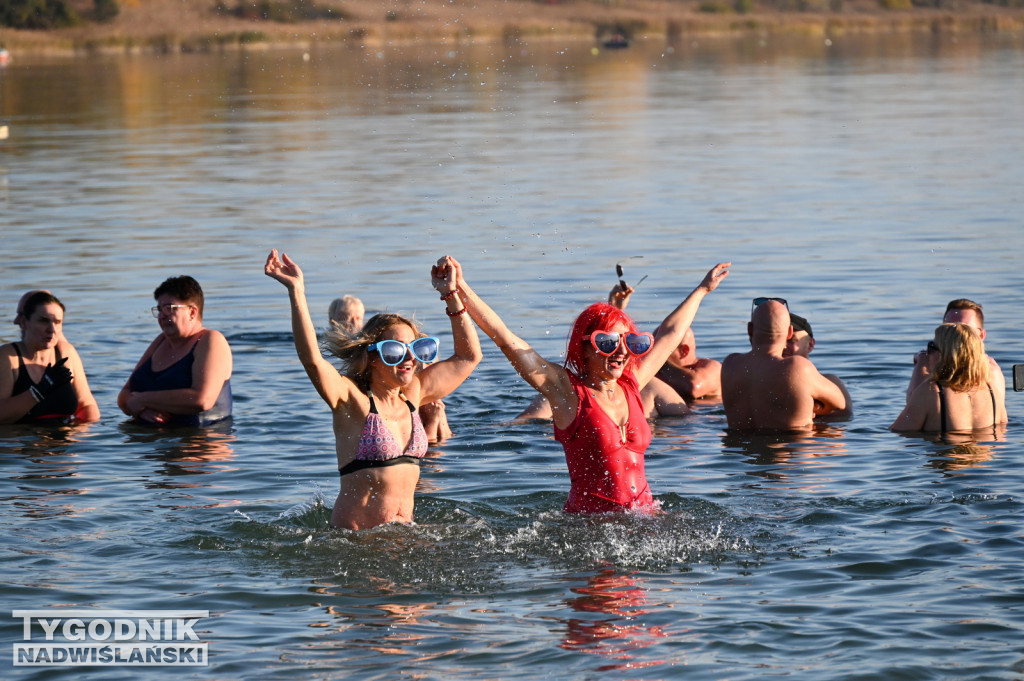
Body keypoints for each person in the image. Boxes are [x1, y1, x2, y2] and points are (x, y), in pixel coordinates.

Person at [451, 256, 730, 514]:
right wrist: (459, 289)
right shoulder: (568, 393)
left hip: (645, 516)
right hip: (590, 526)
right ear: (583, 349)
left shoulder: (632, 384)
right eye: (607, 343)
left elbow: (670, 332)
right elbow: (505, 338)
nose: (621, 352)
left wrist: (703, 289)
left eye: (629, 343)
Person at [263, 250, 482, 530]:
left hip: (403, 538)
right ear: (372, 357)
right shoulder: (351, 400)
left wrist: (451, 295)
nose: (409, 359)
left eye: (415, 348)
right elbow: (313, 360)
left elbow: (468, 357)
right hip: (354, 545)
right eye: (394, 351)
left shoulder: (413, 393)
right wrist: (297, 291)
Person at [329, 294, 454, 443]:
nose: (429, 369)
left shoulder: (433, 401)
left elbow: (446, 436)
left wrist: (439, 416)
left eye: (430, 364)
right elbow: (416, 444)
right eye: (348, 317)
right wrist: (433, 422)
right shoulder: (407, 395)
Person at [118, 276, 233, 427]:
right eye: (159, 309)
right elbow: (124, 395)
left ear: (192, 312)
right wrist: (140, 409)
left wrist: (142, 400)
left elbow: (202, 400)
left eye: (169, 308)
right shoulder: (160, 341)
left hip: (200, 443)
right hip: (151, 444)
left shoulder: (211, 341)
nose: (162, 315)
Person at [721, 298, 846, 432]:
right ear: (789, 332)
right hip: (792, 448)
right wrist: (812, 407)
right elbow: (840, 404)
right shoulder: (798, 367)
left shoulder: (730, 364)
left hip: (739, 451)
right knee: (837, 439)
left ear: (750, 329)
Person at [0, 290, 100, 424]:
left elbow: (87, 405)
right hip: (22, 440)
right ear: (24, 323)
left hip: (65, 440)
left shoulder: (66, 352)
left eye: (58, 322)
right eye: (43, 321)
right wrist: (38, 392)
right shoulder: (7, 356)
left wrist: (82, 438)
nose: (52, 329)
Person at [892, 323, 1007, 433]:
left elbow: (900, 431)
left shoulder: (931, 391)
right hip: (985, 452)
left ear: (946, 354)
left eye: (931, 347)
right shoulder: (992, 390)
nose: (928, 353)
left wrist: (921, 367)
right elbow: (1002, 428)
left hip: (945, 451)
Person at [906, 298, 1005, 407]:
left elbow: (913, 407)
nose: (954, 335)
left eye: (964, 329)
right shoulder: (930, 363)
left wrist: (922, 364)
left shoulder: (991, 371)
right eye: (949, 328)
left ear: (981, 335)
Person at [782, 312, 852, 417]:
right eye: (779, 339)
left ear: (810, 345)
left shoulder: (831, 382)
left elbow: (844, 417)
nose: (783, 346)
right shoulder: (757, 380)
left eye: (791, 340)